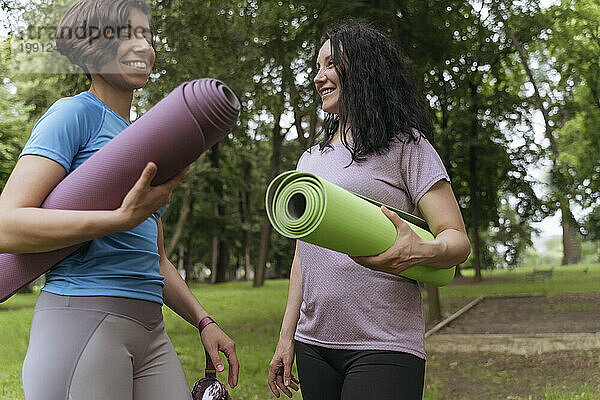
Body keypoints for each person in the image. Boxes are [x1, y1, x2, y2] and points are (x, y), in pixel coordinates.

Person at [0, 1, 239, 399]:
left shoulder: (145, 139)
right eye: (127, 34)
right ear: (92, 45)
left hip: (150, 330)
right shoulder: (73, 114)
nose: (143, 45)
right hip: (81, 320)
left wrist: (204, 321)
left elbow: (156, 259)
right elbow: (6, 225)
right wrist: (116, 219)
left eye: (147, 34)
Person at [268, 22, 471, 400]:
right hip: (315, 344)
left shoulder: (407, 146)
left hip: (385, 344)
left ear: (362, 69)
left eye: (330, 65)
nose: (319, 77)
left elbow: (457, 240)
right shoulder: (310, 160)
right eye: (316, 67)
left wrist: (422, 250)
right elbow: (303, 255)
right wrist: (287, 337)